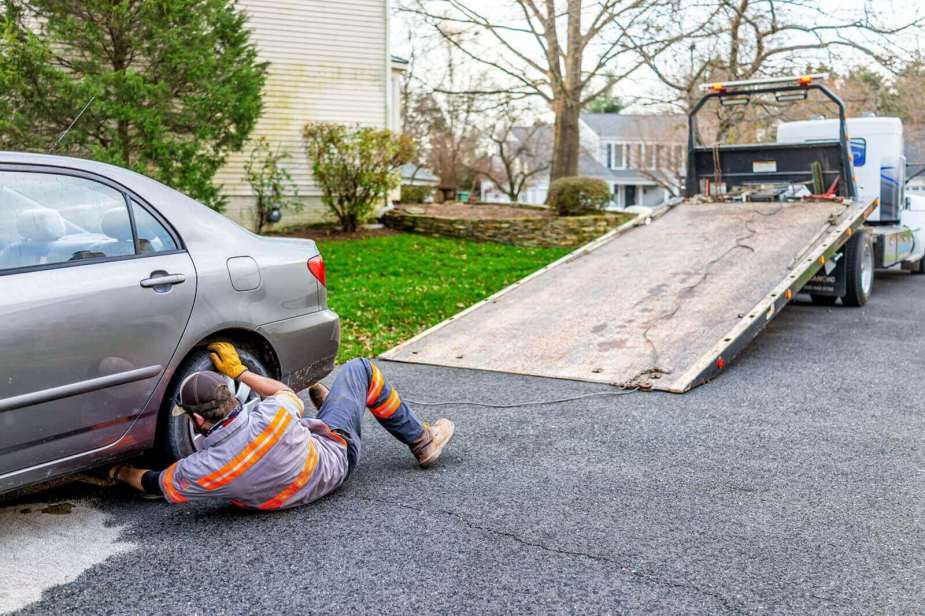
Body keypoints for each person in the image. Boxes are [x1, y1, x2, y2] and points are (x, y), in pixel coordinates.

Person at [109, 342, 455, 510]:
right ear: (230, 398)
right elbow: (287, 394)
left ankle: (340, 411)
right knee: (362, 369)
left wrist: (119, 472)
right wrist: (240, 372)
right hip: (331, 462)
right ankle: (420, 439)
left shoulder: (204, 469)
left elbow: (153, 481)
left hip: (293, 488)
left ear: (197, 420)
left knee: (324, 410)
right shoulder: (273, 414)